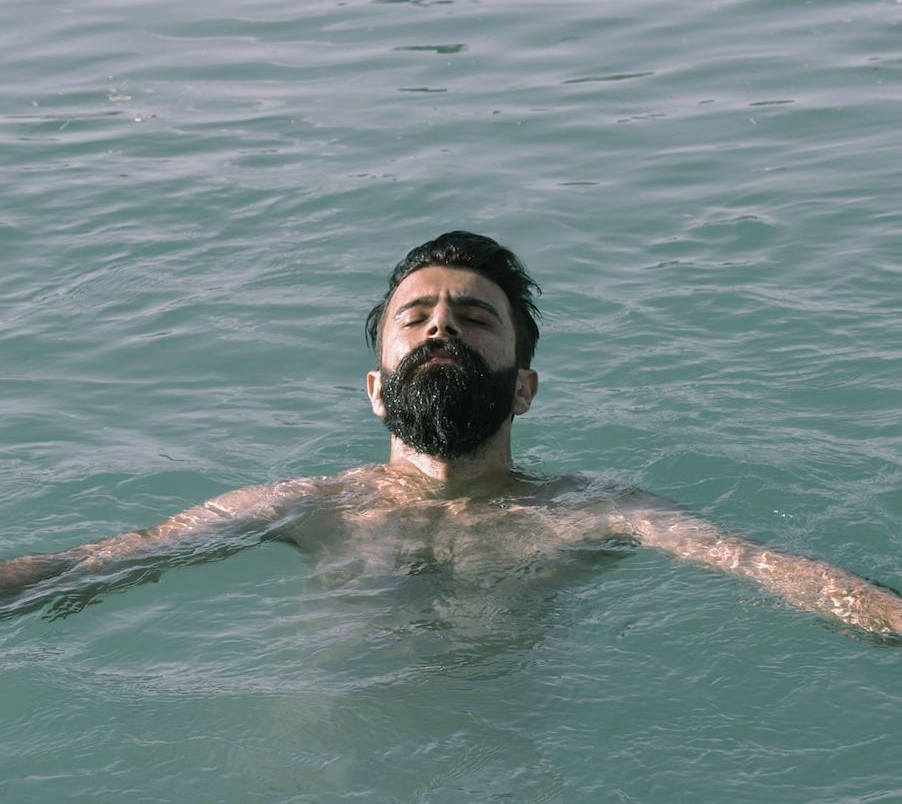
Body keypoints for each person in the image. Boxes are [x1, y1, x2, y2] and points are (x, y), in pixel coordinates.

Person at [2, 230, 902, 634]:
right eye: (418, 317)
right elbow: (95, 565)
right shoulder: (302, 506)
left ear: (524, 389)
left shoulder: (597, 512)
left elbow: (769, 570)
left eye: (474, 319)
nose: (441, 326)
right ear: (375, 389)